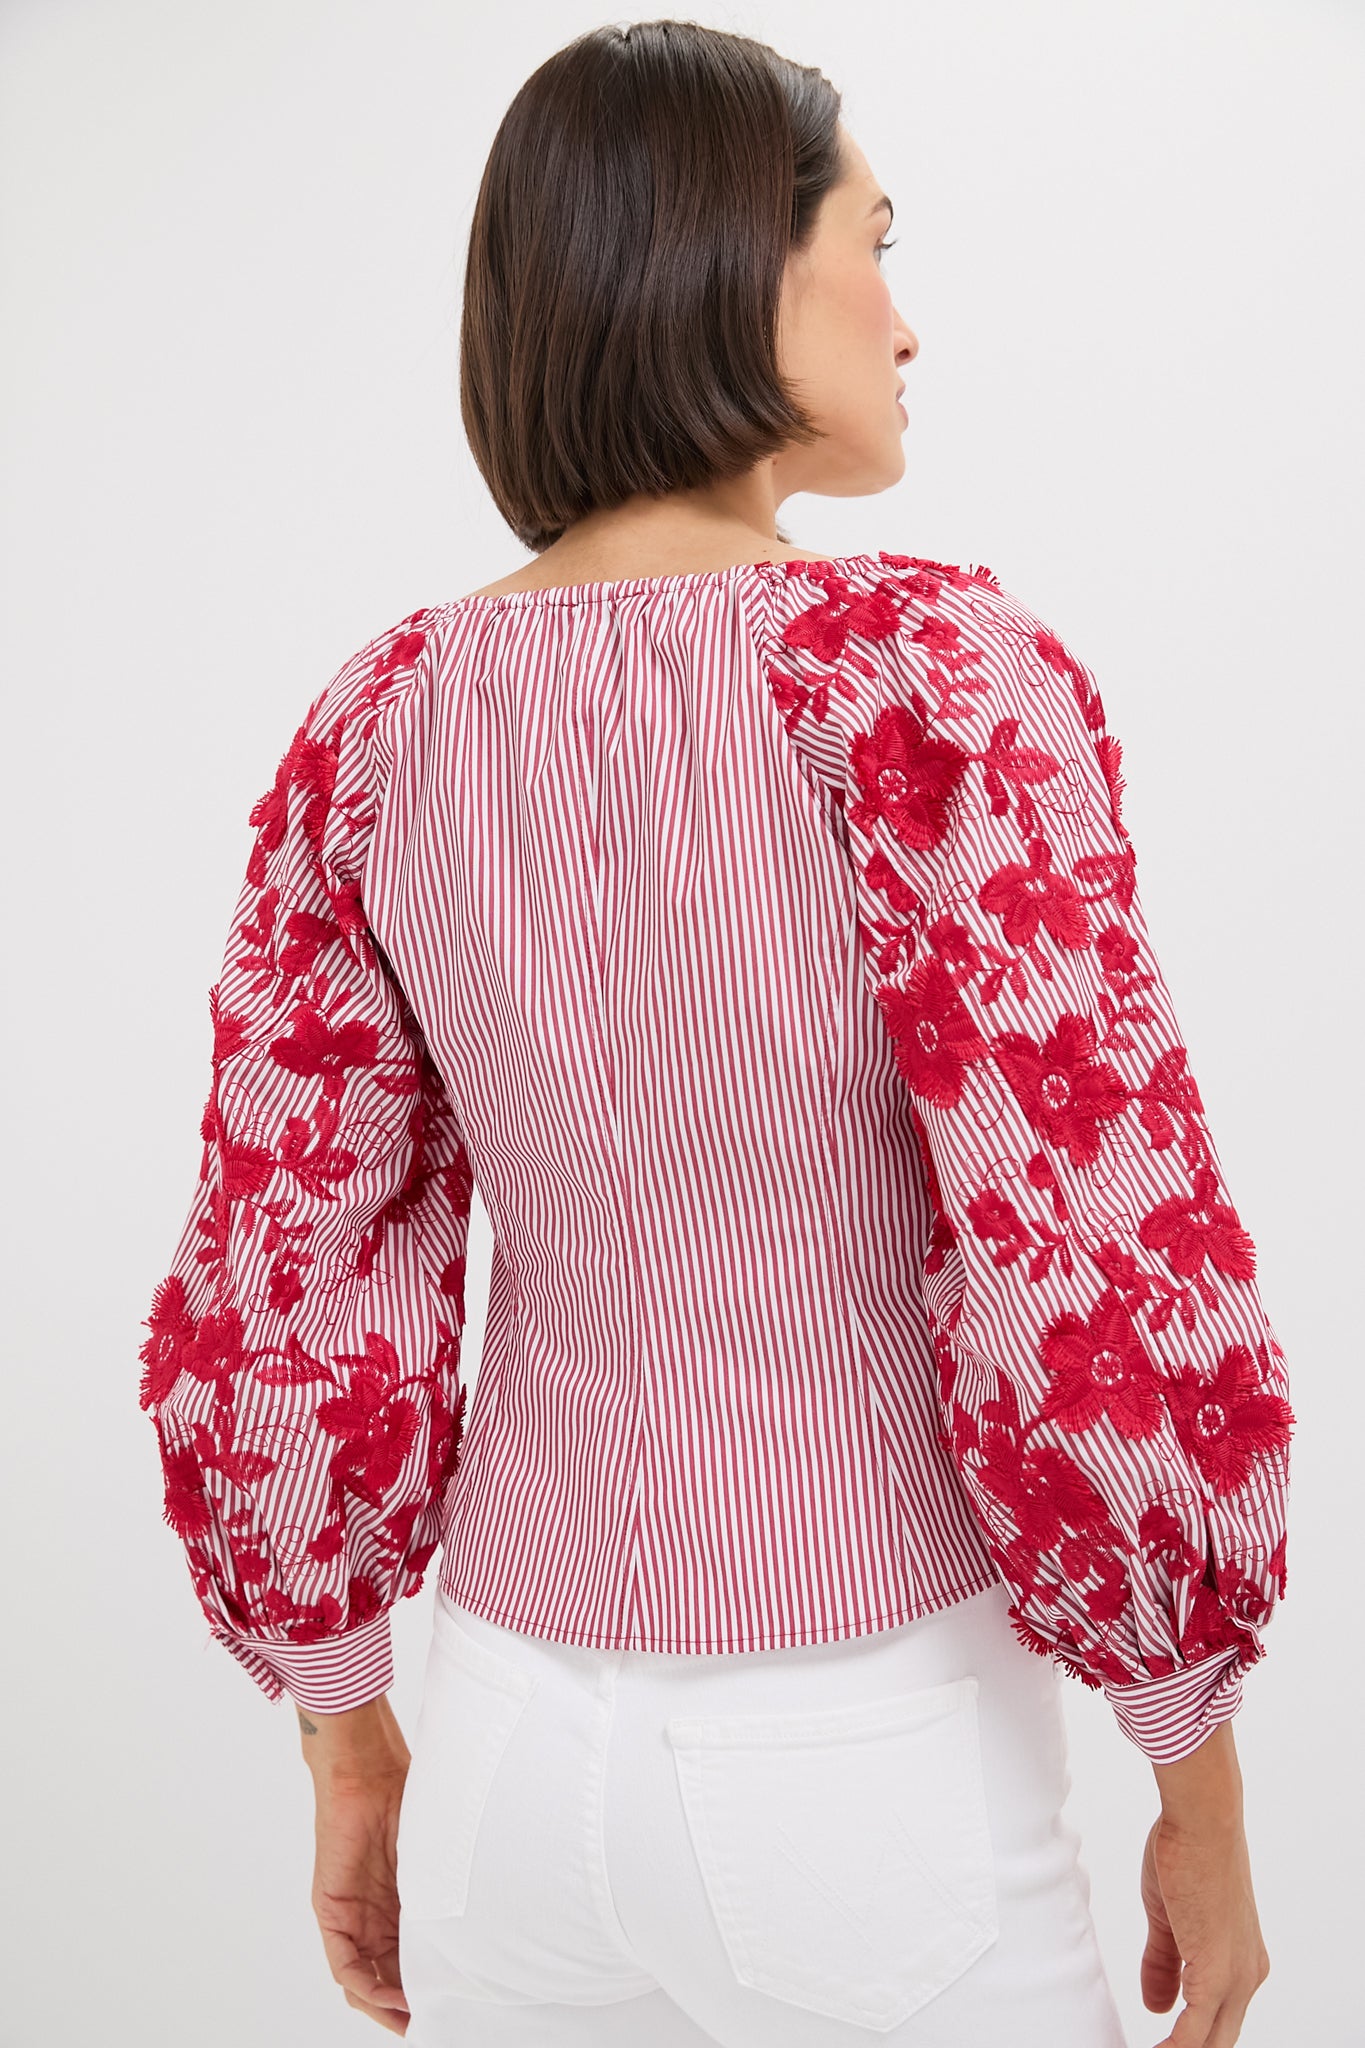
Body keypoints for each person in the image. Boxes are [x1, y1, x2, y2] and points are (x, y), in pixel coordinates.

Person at [137, 19, 1294, 2048]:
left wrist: (345, 1731)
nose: (906, 323)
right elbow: (1091, 1262)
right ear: (732, 267)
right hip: (872, 1751)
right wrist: (1188, 1768)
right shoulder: (922, 683)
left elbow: (283, 1267)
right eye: (874, 240)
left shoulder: (377, 723)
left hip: (506, 1753)